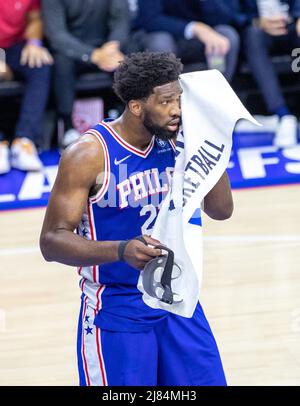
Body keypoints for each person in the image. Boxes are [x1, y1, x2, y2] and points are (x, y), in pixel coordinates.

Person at [40, 52, 233, 386]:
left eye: (180, 100)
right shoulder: (88, 155)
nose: (177, 110)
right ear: (136, 106)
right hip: (117, 308)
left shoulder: (181, 142)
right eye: (167, 102)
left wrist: (207, 141)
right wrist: (121, 250)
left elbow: (221, 210)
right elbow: (52, 241)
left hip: (178, 298)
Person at [42, 0, 131, 149]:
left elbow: (121, 18)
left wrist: (113, 46)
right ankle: (68, 127)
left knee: (130, 55)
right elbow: (56, 34)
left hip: (107, 47)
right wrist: (92, 55)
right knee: (61, 61)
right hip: (73, 51)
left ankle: (126, 120)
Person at [133, 0, 247, 82]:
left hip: (199, 39)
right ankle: (167, 104)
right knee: (160, 42)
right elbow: (150, 19)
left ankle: (216, 99)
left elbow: (227, 17)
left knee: (226, 34)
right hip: (163, 34)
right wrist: (193, 28)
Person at [0, 0, 52, 175]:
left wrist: (34, 43)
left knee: (39, 64)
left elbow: (34, 18)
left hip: (15, 46)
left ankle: (24, 141)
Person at [243, 0, 300, 147]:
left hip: (293, 25)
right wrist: (256, 21)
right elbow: (231, 12)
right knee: (252, 35)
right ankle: (283, 115)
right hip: (258, 29)